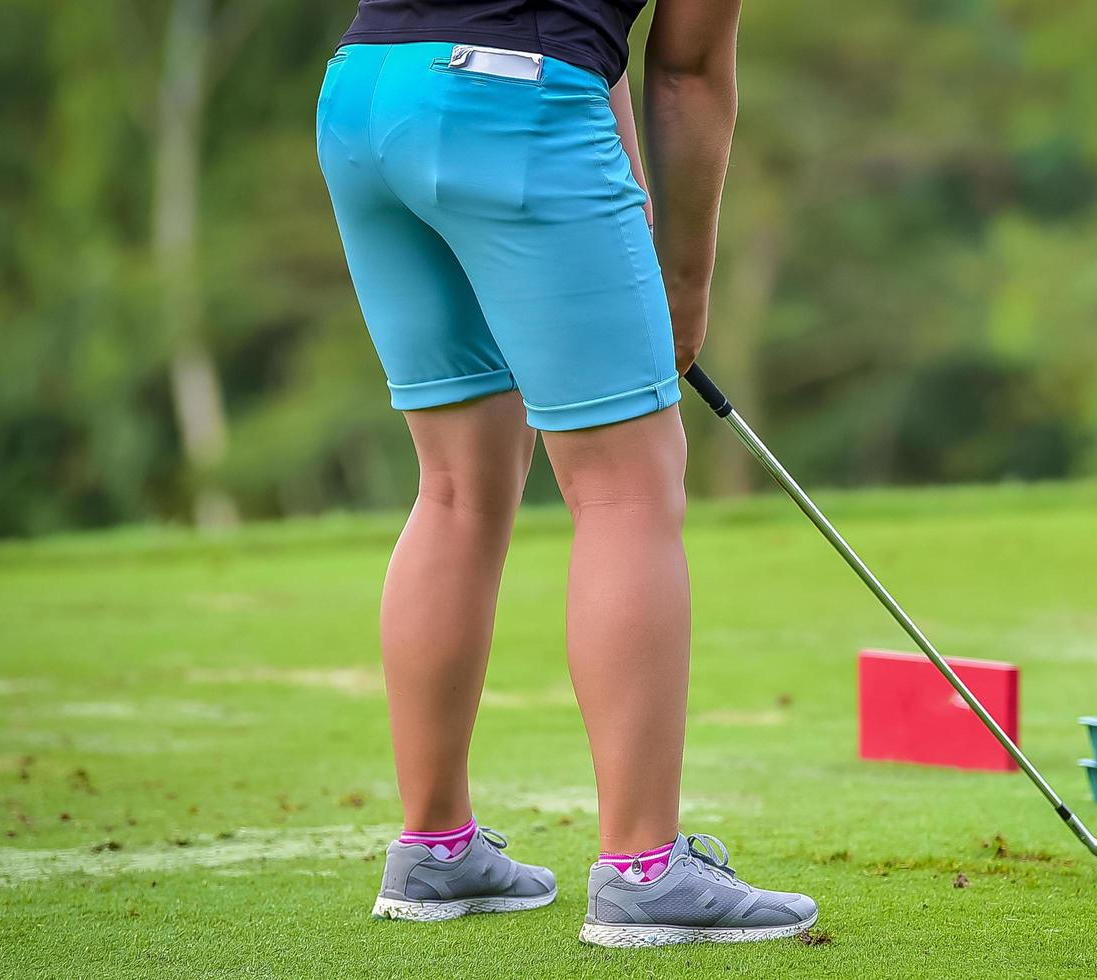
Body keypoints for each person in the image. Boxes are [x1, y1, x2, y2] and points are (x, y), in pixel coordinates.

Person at [314, 0, 817, 947]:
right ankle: (642, 871)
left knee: (456, 484)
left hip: (364, 93)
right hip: (509, 109)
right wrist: (685, 280)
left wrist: (623, 202)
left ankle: (436, 850)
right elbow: (687, 67)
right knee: (628, 485)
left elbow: (604, 59)